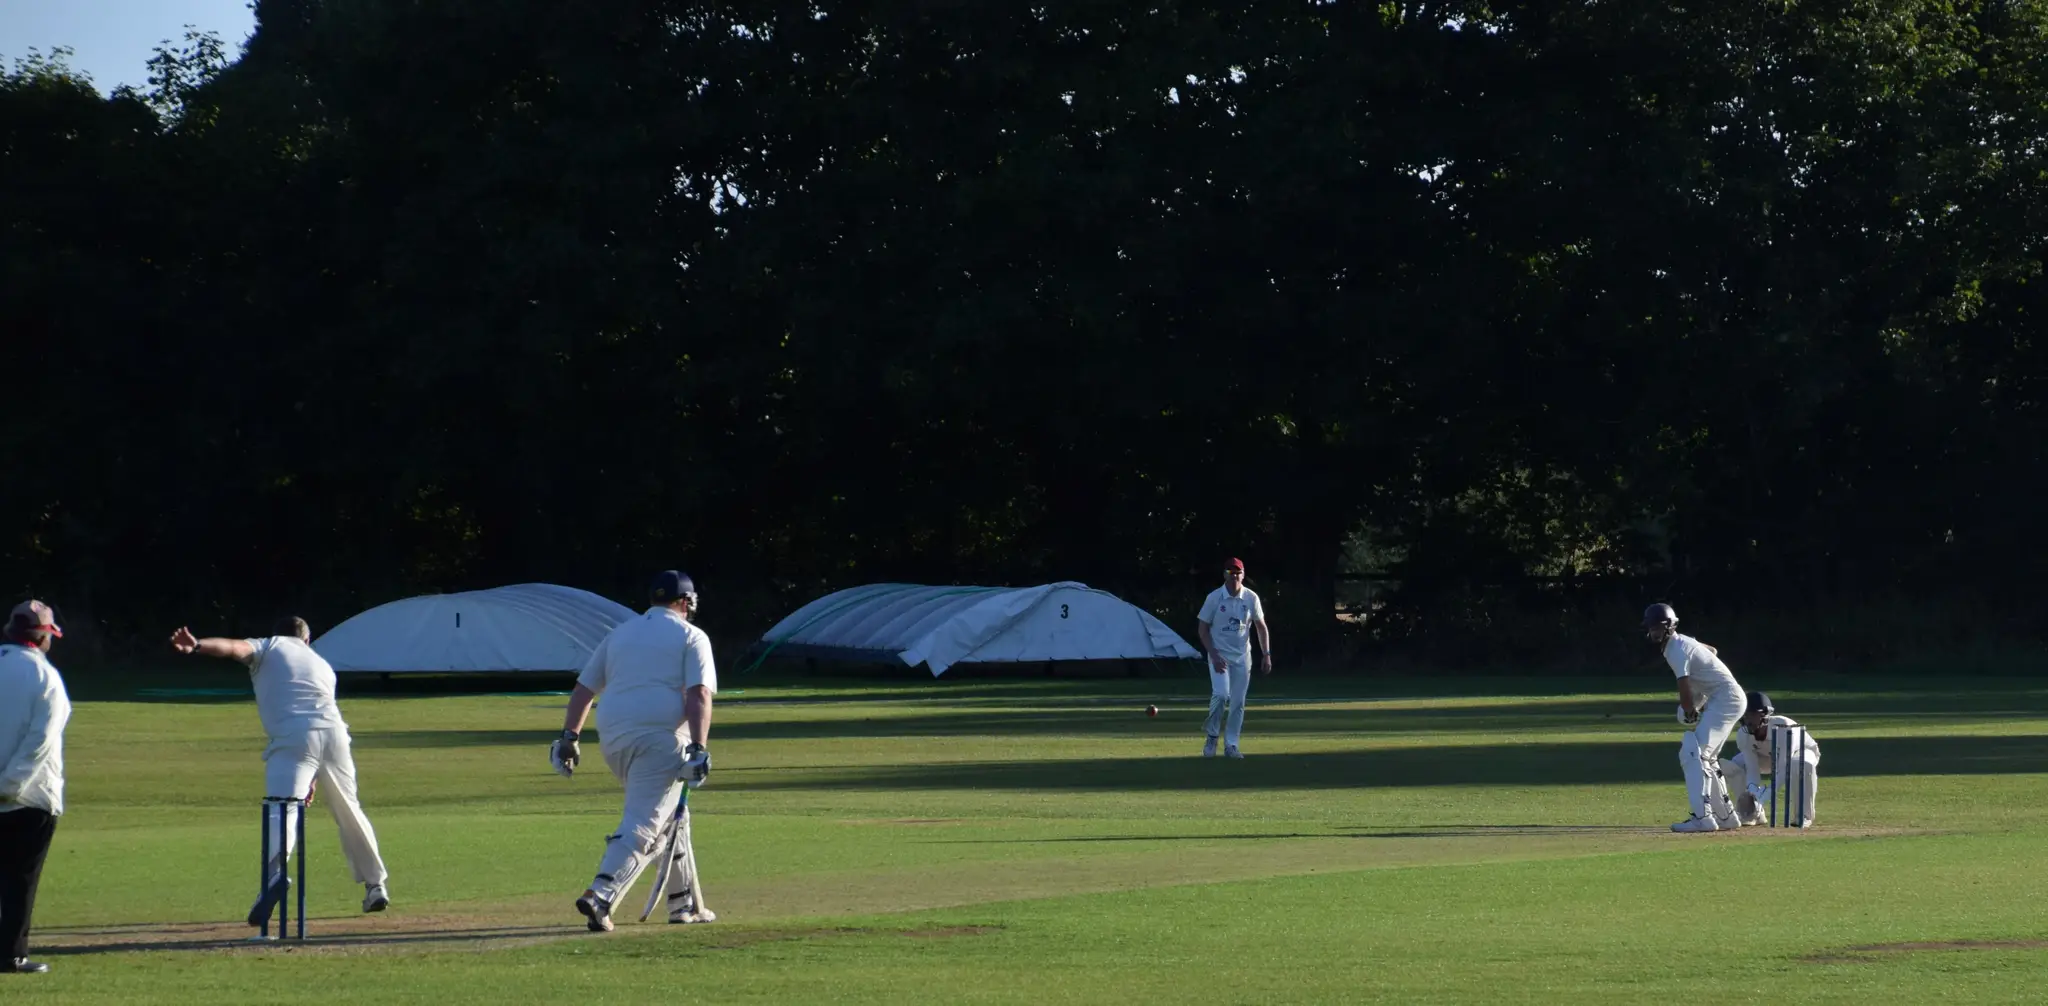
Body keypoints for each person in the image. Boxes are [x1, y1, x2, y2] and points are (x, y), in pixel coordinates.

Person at [169, 617, 391, 922]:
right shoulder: (321, 664)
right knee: (349, 809)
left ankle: (274, 876)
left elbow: (233, 648)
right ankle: (375, 885)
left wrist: (197, 647)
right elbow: (316, 726)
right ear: (307, 640)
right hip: (335, 736)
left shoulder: (269, 646)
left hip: (292, 737)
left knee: (281, 808)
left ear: (276, 633)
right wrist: (313, 774)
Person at [553, 570, 717, 931]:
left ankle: (682, 904)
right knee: (645, 823)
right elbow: (699, 694)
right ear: (686, 602)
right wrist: (699, 748)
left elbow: (584, 689)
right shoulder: (692, 636)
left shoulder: (621, 633)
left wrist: (569, 738)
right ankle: (601, 895)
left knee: (672, 816)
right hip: (660, 740)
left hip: (613, 740)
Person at [0, 602, 70, 975]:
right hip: (30, 796)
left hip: (17, 794)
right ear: (43, 635)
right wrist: (8, 785)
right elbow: (40, 740)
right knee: (20, 880)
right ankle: (12, 954)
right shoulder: (45, 677)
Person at [1643, 603, 1746, 832]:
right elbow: (1712, 651)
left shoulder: (1676, 650)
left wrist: (1690, 710)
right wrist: (1698, 702)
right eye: (1651, 628)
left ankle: (1703, 817)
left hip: (1726, 698)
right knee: (1705, 757)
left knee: (1692, 752)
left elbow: (1684, 687)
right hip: (1726, 697)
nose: (1653, 632)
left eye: (1657, 627)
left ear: (1670, 627)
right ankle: (1726, 816)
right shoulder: (1684, 641)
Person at [1197, 558, 1272, 759]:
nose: (1235, 576)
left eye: (1238, 572)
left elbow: (1260, 627)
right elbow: (1202, 629)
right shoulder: (1214, 598)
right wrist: (1213, 655)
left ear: (1243, 574)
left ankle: (1231, 745)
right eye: (1231, 573)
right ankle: (1212, 736)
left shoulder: (1250, 597)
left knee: (1238, 702)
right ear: (1225, 575)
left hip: (1242, 657)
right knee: (1221, 695)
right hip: (1219, 656)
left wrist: (1266, 654)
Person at [1722, 691, 1821, 827]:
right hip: (1767, 757)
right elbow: (1752, 768)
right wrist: (1753, 791)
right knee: (1735, 765)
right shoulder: (1743, 735)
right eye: (1745, 715)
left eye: (1752, 715)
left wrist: (1765, 796)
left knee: (1798, 764)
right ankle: (1752, 813)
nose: (1747, 720)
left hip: (1801, 752)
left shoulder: (1784, 727)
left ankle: (1804, 815)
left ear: (1765, 715)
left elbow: (1782, 769)